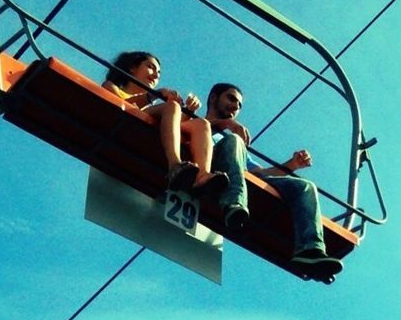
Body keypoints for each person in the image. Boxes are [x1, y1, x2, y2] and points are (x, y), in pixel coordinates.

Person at [205, 82, 343, 281]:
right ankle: (233, 201)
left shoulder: (236, 145)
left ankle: (310, 250)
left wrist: (292, 164)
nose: (235, 107)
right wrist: (225, 125)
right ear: (213, 98)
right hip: (215, 172)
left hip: (242, 180)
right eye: (231, 99)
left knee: (305, 187)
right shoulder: (199, 126)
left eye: (239, 105)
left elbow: (259, 174)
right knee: (234, 141)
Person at [102, 52, 228, 196]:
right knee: (172, 106)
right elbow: (121, 105)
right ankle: (174, 164)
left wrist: (187, 111)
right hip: (126, 126)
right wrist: (153, 95)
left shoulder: (154, 107)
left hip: (150, 132)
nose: (155, 75)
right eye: (150, 67)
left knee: (202, 124)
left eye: (159, 73)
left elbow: (172, 125)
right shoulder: (112, 87)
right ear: (132, 67)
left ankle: (203, 174)